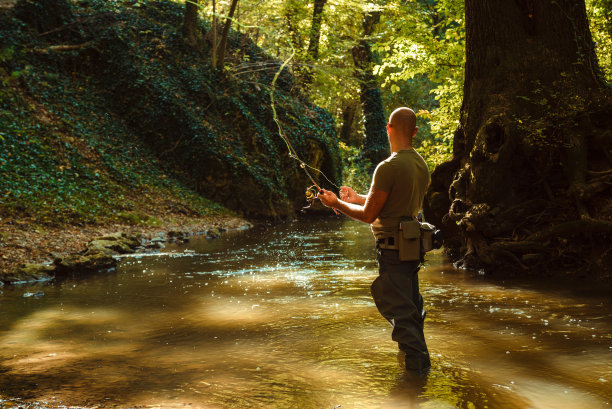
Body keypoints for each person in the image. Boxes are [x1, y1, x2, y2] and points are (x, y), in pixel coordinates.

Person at [317, 107, 431, 375]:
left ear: (388, 128)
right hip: (412, 250)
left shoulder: (388, 167)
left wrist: (337, 203)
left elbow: (370, 215)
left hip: (392, 252)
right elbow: (394, 204)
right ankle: (418, 375)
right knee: (412, 312)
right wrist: (354, 198)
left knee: (402, 316)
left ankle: (414, 381)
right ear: (414, 132)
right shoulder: (420, 164)